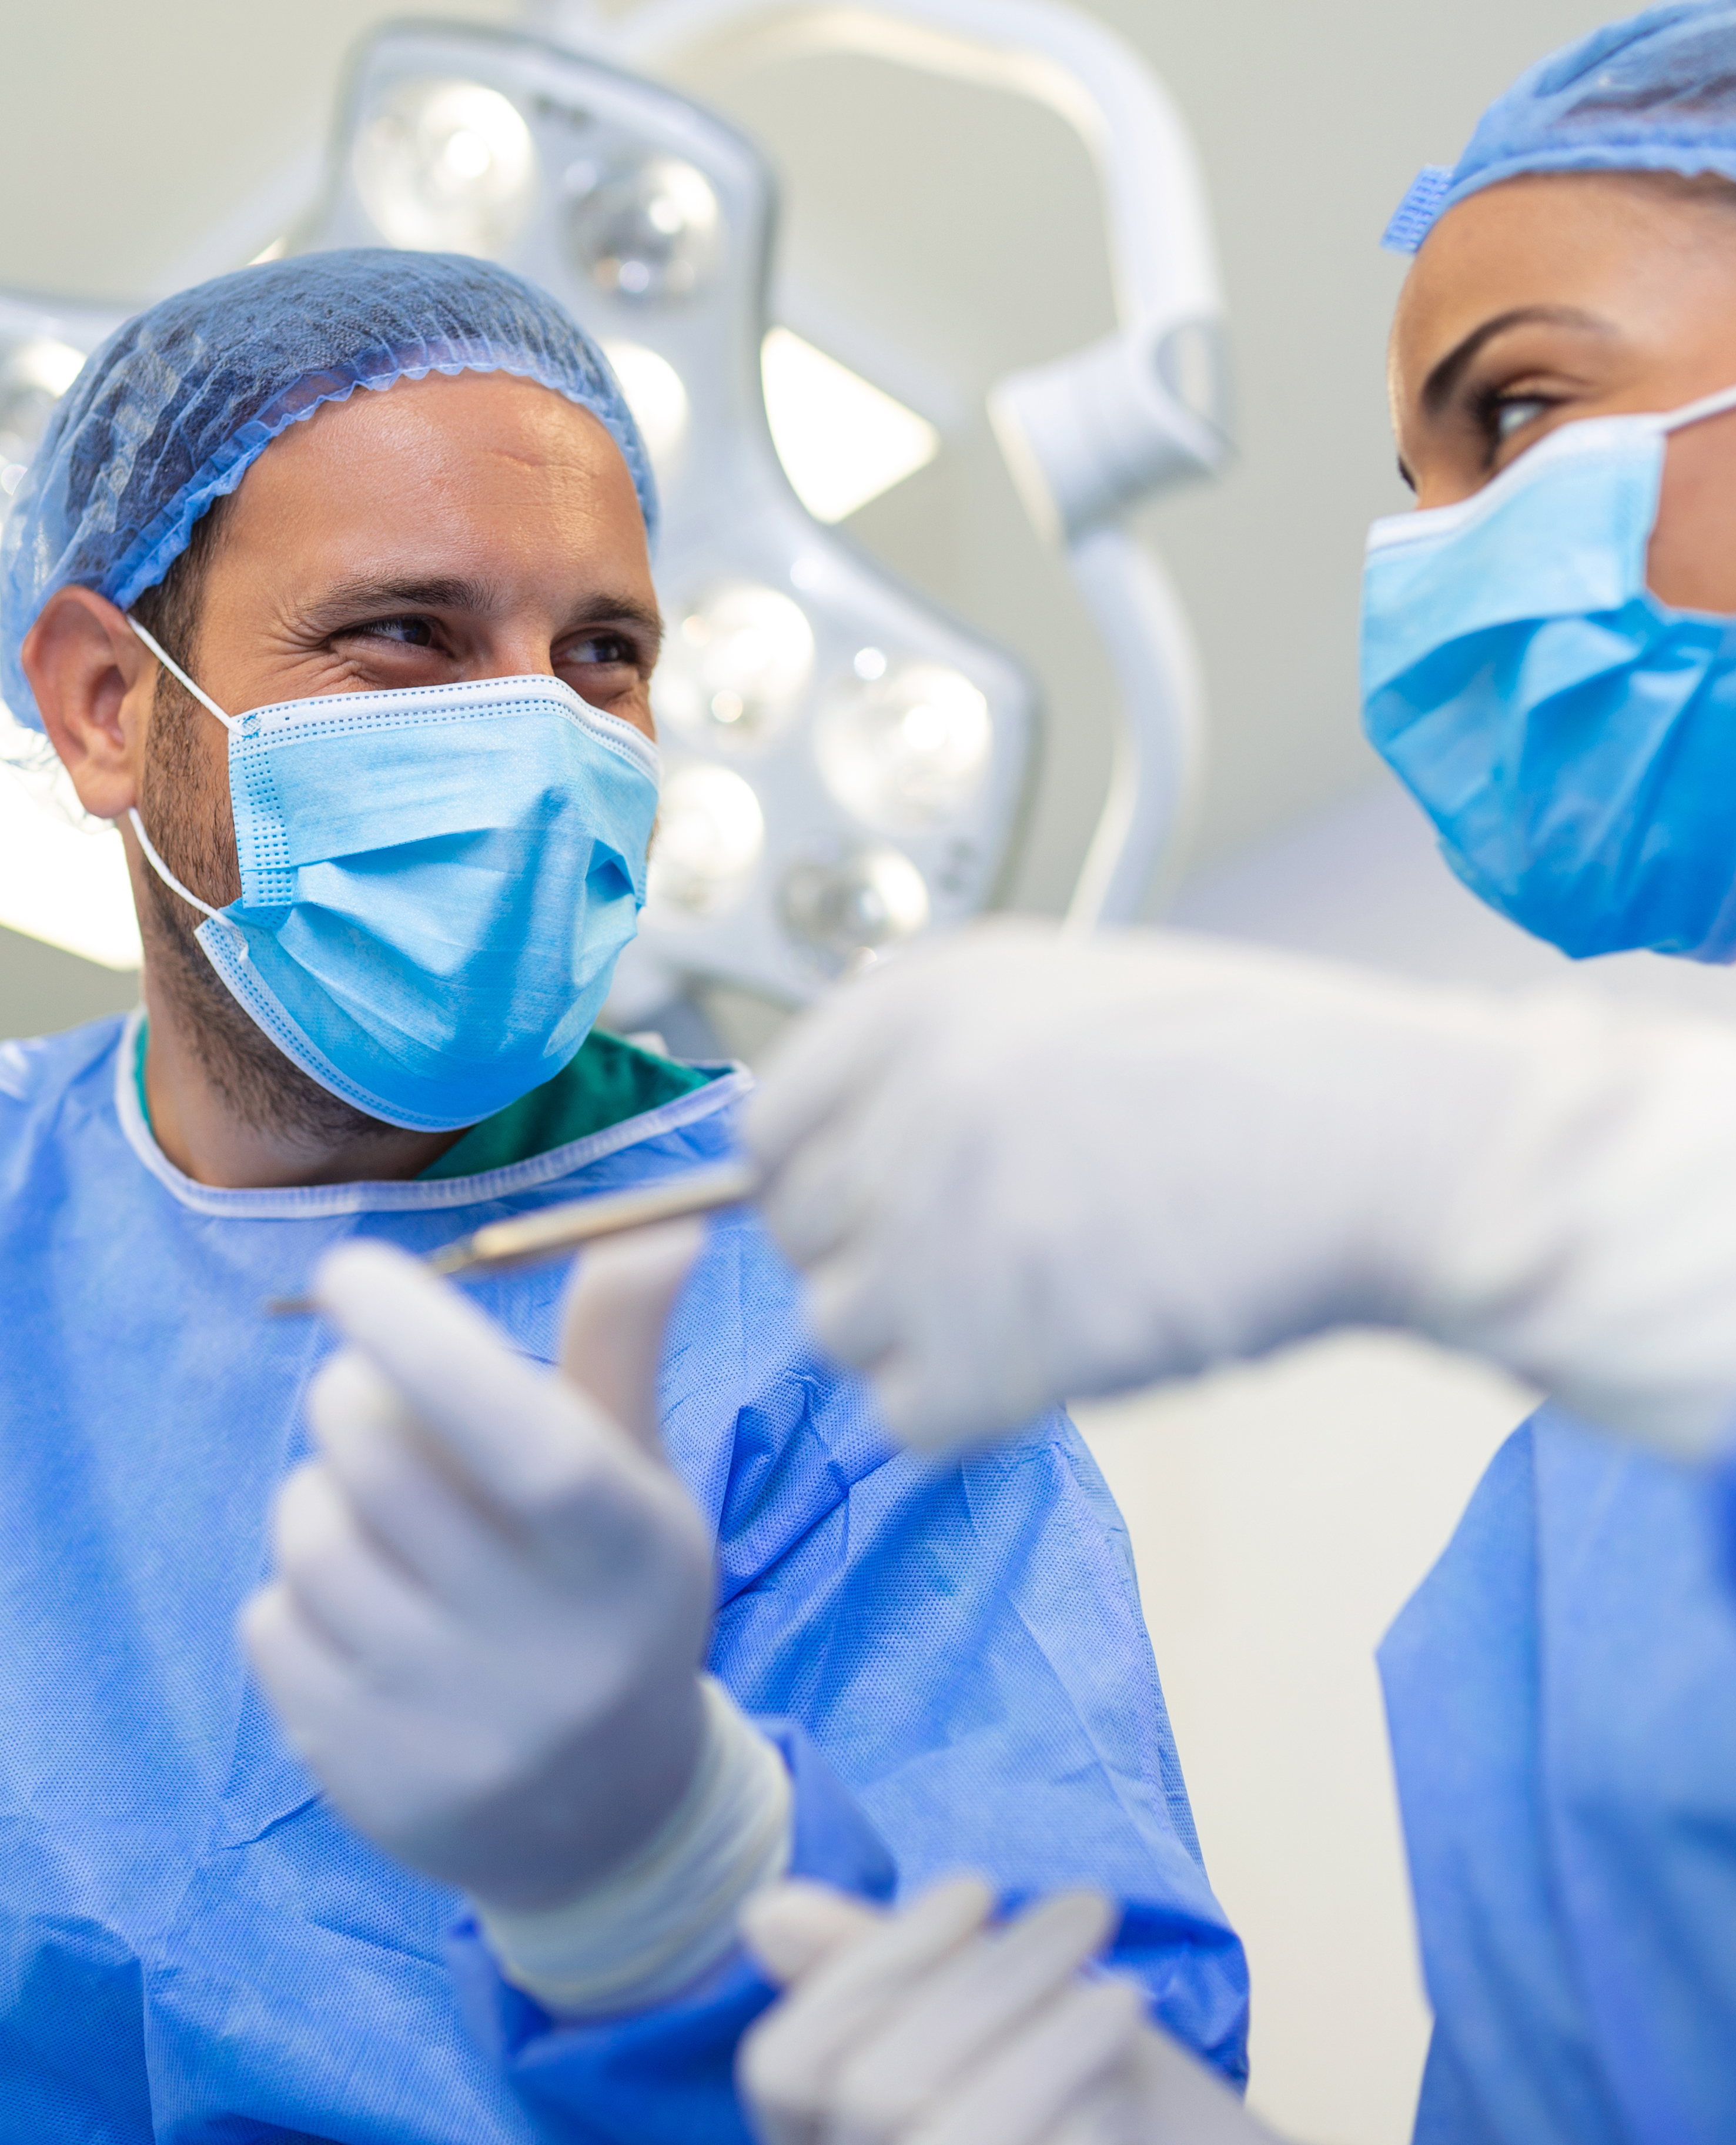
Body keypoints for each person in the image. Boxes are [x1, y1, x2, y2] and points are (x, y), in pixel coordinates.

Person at [0, 249, 1249, 2143]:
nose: (540, 738)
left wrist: (668, 1866)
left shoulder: (826, 1287)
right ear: (105, 706)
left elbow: (1085, 2070)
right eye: (408, 635)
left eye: (603, 655)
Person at [735, 6, 1736, 2141]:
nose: (1432, 565)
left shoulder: (1641, 1275)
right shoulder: (1587, 1537)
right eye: (1423, 481)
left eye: (1524, 411)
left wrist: (1547, 1183)